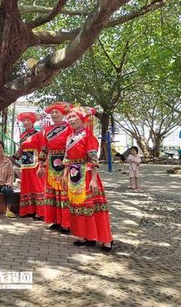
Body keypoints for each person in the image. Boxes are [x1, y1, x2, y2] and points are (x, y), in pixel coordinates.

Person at [64, 107, 113, 252]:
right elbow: (67, 159)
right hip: (74, 175)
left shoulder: (88, 136)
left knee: (93, 207)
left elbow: (93, 159)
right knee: (77, 207)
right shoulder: (69, 137)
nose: (71, 120)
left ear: (82, 118)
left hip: (86, 175)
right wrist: (64, 175)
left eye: (74, 117)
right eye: (69, 117)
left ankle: (106, 239)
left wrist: (93, 179)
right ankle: (85, 235)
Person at [39, 102, 73, 233]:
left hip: (64, 163)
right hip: (51, 164)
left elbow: (70, 147)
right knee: (52, 192)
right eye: (52, 112)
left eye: (56, 112)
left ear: (62, 114)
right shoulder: (47, 130)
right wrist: (40, 164)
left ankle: (66, 223)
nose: (54, 114)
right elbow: (44, 148)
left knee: (63, 192)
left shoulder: (69, 127)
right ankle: (56, 220)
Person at [13, 112, 44, 219]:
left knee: (37, 186)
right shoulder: (22, 135)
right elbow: (21, 150)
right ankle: (28, 210)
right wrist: (12, 158)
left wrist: (42, 164)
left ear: (32, 122)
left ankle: (40, 212)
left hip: (35, 164)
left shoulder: (38, 134)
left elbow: (43, 149)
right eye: (23, 121)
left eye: (27, 120)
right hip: (25, 165)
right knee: (26, 186)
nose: (25, 122)